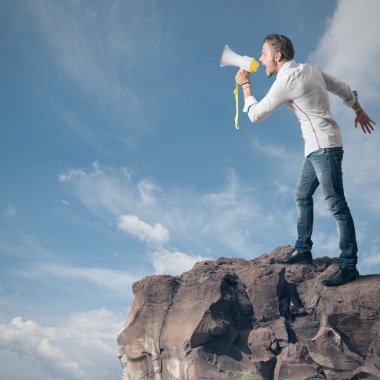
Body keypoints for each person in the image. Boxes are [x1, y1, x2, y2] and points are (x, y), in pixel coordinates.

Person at [235, 34, 376, 286]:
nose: (260, 58)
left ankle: (348, 264)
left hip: (324, 148)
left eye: (263, 53)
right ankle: (303, 249)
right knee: (301, 194)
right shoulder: (310, 69)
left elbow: (256, 115)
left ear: (277, 56)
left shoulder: (286, 79)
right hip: (317, 147)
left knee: (336, 204)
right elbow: (342, 87)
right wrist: (359, 110)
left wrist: (246, 85)